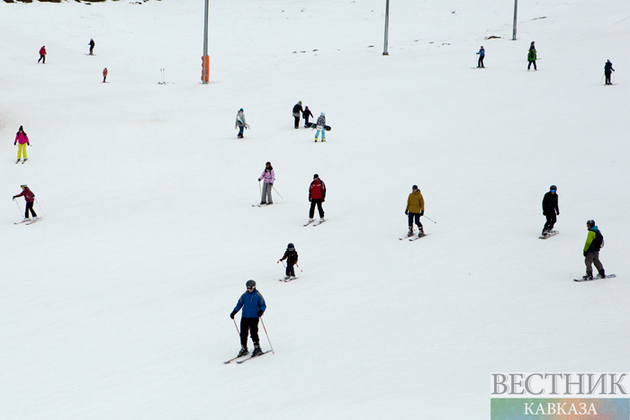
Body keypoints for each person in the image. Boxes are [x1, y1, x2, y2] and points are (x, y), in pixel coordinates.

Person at [230, 280, 266, 357]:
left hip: (254, 317)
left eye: (250, 288)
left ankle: (257, 347)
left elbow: (263, 305)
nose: (248, 289)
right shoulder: (244, 295)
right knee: (243, 333)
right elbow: (239, 304)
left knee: (253, 332)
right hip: (245, 316)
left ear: (254, 287)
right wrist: (234, 312)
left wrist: (261, 311)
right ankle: (244, 348)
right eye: (247, 288)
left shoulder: (258, 295)